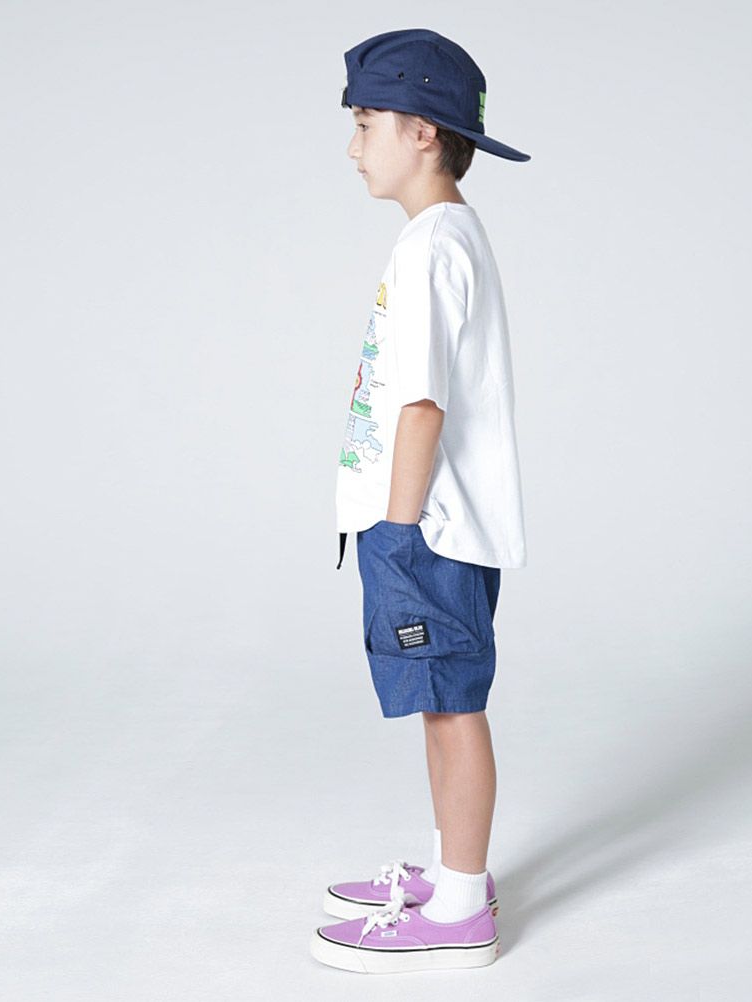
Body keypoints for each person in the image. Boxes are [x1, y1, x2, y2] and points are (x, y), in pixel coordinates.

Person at [310, 28, 530, 975]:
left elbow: (422, 403)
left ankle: (462, 909)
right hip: (429, 522)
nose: (353, 146)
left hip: (428, 525)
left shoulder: (433, 248)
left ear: (424, 132)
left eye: (366, 124)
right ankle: (451, 876)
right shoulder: (441, 237)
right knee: (441, 702)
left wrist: (398, 529)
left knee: (452, 705)